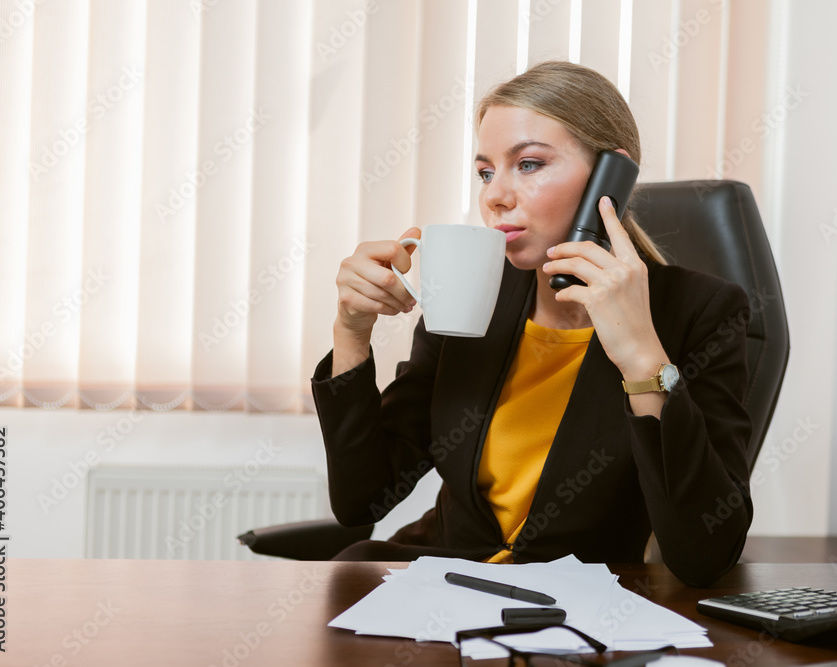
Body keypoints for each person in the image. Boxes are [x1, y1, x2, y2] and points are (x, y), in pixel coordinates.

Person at [311, 60, 752, 587]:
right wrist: (351, 334)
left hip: (580, 614)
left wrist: (642, 357)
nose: (494, 194)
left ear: (611, 177)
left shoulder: (700, 312)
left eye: (528, 164)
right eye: (485, 171)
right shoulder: (479, 296)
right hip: (438, 588)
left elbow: (704, 553)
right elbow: (365, 497)